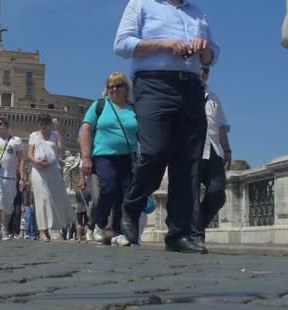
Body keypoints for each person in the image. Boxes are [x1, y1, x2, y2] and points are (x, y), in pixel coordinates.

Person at [114, 0, 219, 254]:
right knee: (154, 150)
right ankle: (131, 205)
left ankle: (178, 233)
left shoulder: (197, 12)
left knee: (188, 162)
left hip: (191, 86)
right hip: (153, 85)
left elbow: (214, 53)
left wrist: (205, 50)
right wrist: (163, 44)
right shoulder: (141, 4)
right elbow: (122, 45)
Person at [79, 72, 138, 246]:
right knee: (108, 189)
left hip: (129, 158)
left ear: (126, 87)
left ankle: (118, 232)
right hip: (104, 157)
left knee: (126, 195)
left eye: (119, 85)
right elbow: (86, 130)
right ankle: (100, 224)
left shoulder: (133, 108)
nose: (114, 89)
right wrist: (86, 157)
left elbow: (142, 133)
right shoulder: (100, 105)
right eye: (111, 86)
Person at [192, 66, 231, 247]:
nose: (203, 73)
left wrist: (227, 150)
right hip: (191, 151)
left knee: (217, 193)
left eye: (206, 70)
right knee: (190, 195)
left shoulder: (214, 97)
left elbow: (221, 126)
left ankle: (198, 225)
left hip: (214, 150)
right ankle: (197, 235)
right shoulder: (183, 94)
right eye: (200, 69)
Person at [28, 114, 75, 241]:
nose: (43, 126)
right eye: (41, 123)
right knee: (42, 199)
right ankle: (43, 232)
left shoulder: (54, 135)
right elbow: (30, 153)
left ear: (49, 123)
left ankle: (54, 228)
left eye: (45, 123)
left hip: (53, 170)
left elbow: (61, 148)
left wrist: (59, 130)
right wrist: (36, 162)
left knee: (55, 199)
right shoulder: (34, 135)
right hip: (38, 171)